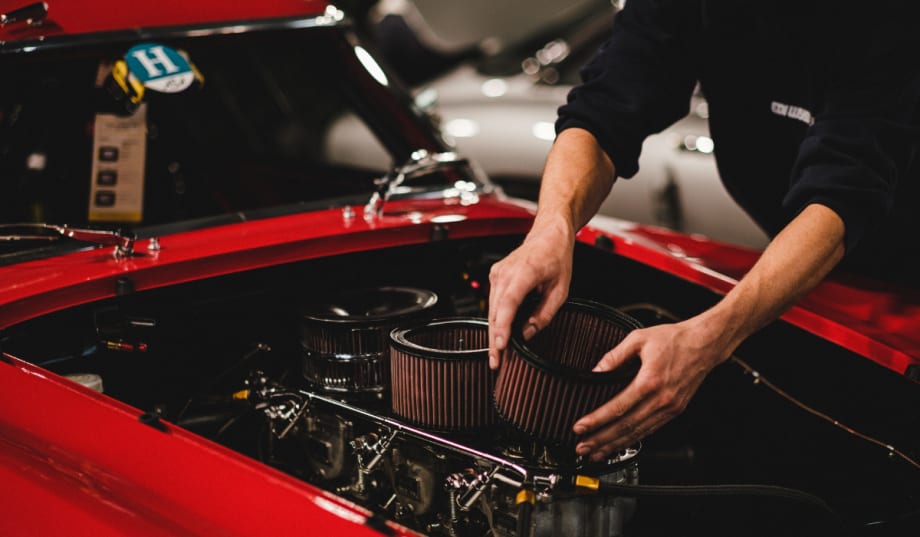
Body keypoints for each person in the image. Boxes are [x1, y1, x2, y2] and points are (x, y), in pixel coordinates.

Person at [487, 0, 920, 462]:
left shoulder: (886, 18)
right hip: (817, 265)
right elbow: (603, 110)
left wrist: (710, 338)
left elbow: (843, 190)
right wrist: (551, 228)